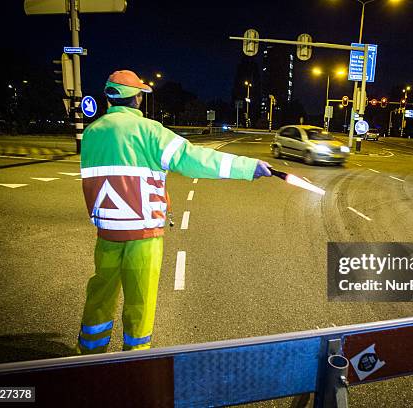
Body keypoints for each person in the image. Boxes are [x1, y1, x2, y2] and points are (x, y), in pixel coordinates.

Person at [76, 70, 271, 354]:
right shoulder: (150, 131)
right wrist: (246, 167)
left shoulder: (92, 133)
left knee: (101, 290)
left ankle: (90, 353)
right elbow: (194, 159)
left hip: (107, 230)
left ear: (108, 98)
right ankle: (136, 358)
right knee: (140, 299)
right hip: (143, 232)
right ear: (138, 99)